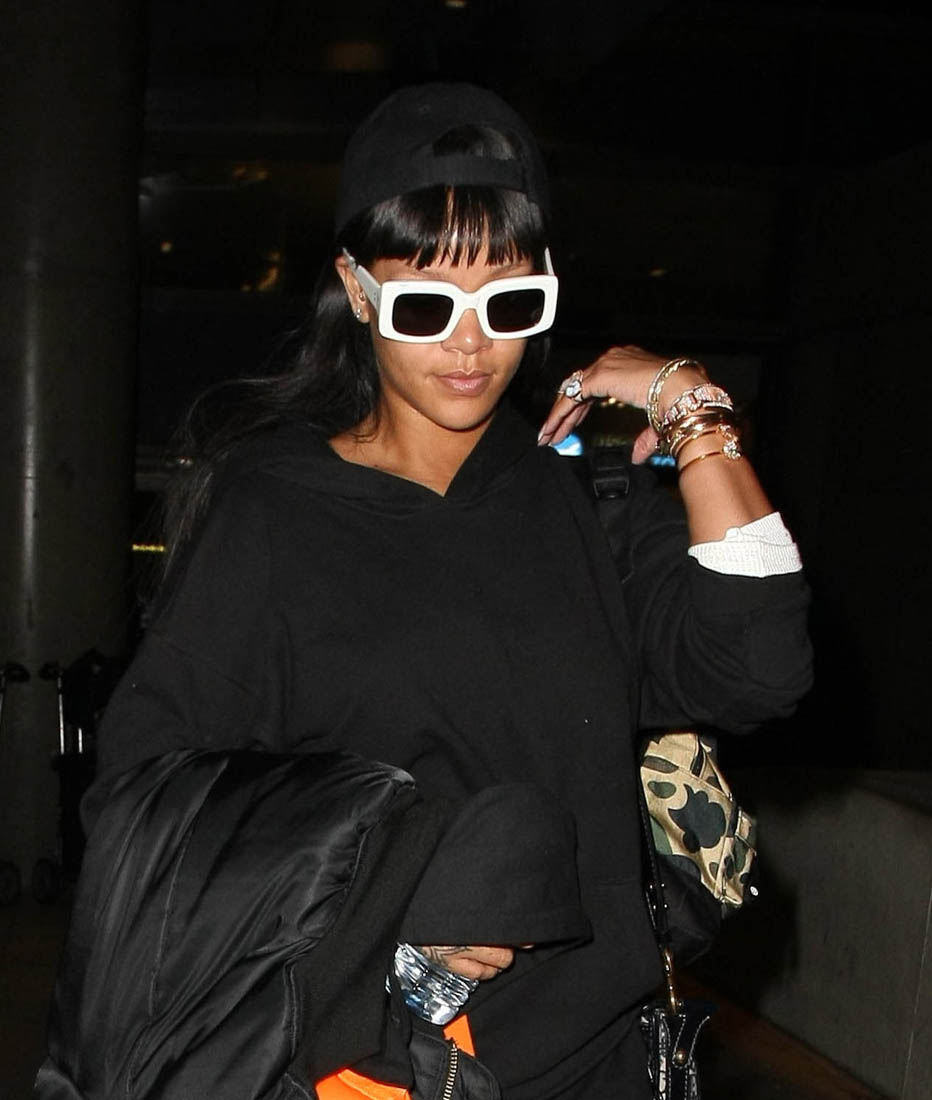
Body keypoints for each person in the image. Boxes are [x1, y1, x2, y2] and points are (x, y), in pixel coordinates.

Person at [43, 83, 812, 1100]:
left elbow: (757, 666)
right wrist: (388, 898)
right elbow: (149, 792)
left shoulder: (585, 495)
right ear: (358, 291)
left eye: (509, 300)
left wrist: (692, 409)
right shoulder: (274, 508)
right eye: (424, 303)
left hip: (596, 1057)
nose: (468, 342)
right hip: (373, 1059)